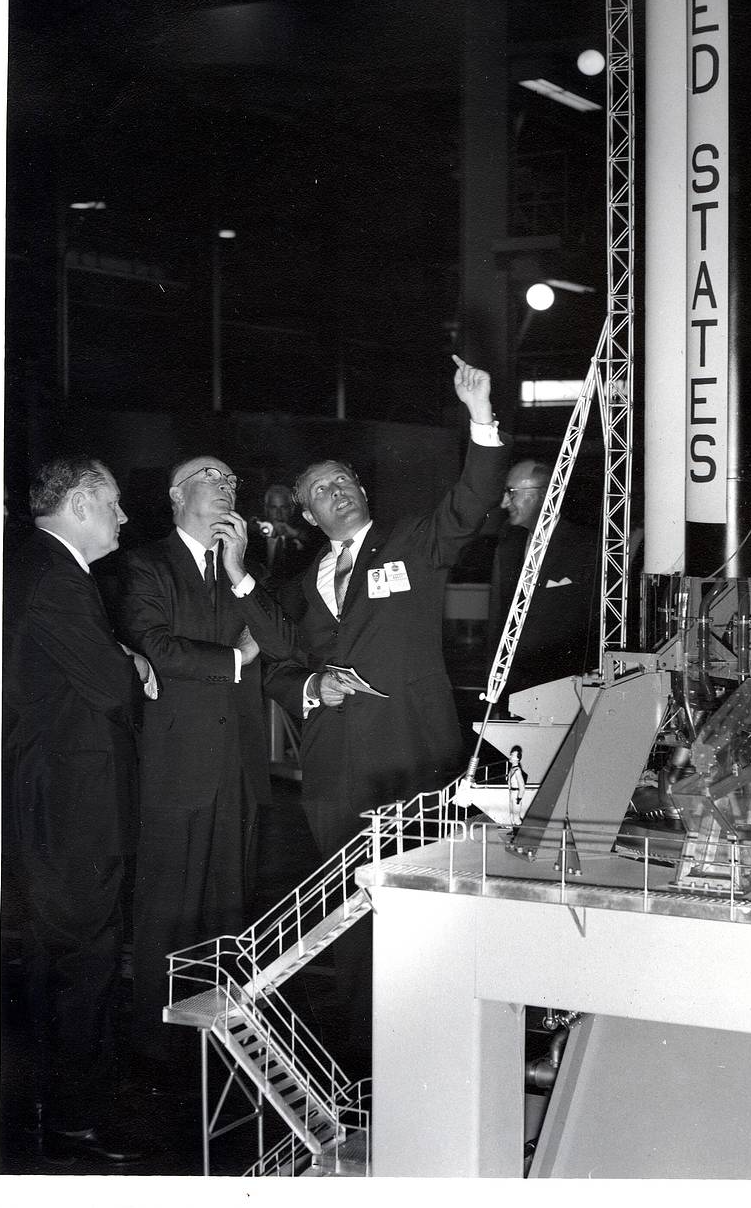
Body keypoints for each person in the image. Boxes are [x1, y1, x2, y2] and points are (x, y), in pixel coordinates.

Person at [262, 355, 509, 1067]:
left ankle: (422, 1038)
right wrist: (312, 688)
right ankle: (356, 1045)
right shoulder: (298, 585)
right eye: (318, 491)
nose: (332, 493)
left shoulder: (412, 542)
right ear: (305, 515)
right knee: (347, 909)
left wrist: (479, 417)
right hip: (333, 769)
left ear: (361, 490)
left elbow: (471, 499)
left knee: (417, 904)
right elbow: (279, 668)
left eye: (341, 481)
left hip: (410, 760)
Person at [119, 456, 303, 1080]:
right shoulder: (148, 563)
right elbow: (153, 644)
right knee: (167, 908)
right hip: (177, 767)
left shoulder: (240, 572)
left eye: (232, 481)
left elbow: (282, 645)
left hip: (240, 770)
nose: (227, 488)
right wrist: (232, 660)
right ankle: (153, 1045)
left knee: (229, 912)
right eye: (212, 479)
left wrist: (241, 575)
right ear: (177, 496)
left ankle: (214, 1039)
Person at [2, 457, 154, 1163]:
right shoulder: (58, 577)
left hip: (49, 800)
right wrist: (135, 664)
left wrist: (117, 654)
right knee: (83, 963)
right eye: (116, 503)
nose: (124, 517)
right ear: (85, 503)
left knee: (53, 958)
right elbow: (110, 688)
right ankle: (74, 1121)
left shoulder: (30, 567)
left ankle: (50, 1109)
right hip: (75, 808)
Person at [486, 458, 599, 701]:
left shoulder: (587, 547)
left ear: (544, 495)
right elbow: (497, 621)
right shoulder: (507, 546)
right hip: (514, 688)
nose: (504, 502)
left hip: (565, 691)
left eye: (512, 493)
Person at [244, 481, 315, 585]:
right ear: (266, 509)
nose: (278, 513)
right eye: (273, 508)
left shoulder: (303, 538)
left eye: (283, 507)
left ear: (291, 509)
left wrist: (296, 534)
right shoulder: (253, 539)